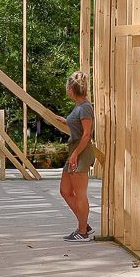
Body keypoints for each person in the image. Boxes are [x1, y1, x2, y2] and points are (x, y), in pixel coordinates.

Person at [56, 70, 95, 242]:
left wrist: (75, 155)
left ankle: (82, 232)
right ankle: (83, 224)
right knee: (65, 190)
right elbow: (77, 126)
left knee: (80, 193)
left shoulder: (85, 107)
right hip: (75, 151)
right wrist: (63, 121)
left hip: (81, 152)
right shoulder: (79, 107)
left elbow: (86, 135)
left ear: (71, 90)